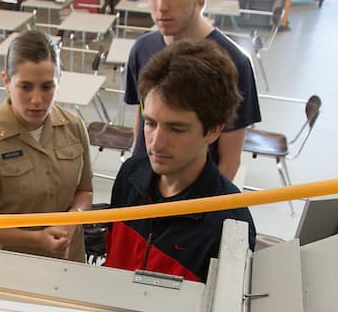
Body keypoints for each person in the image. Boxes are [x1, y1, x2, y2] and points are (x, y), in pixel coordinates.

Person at [104, 39, 256, 283]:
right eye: (151, 123)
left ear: (214, 130)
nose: (156, 143)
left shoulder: (231, 222)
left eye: (176, 128)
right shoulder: (129, 176)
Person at [123, 0, 261, 182]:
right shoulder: (142, 50)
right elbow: (141, 128)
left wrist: (195, 215)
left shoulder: (234, 63)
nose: (162, 5)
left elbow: (229, 162)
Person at [0, 29, 94, 262]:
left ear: (59, 81)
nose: (37, 100)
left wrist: (73, 219)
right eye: (25, 87)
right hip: (16, 268)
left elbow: (85, 191)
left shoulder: (74, 127)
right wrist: (37, 239)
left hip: (70, 262)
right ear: (6, 81)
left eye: (46, 87)